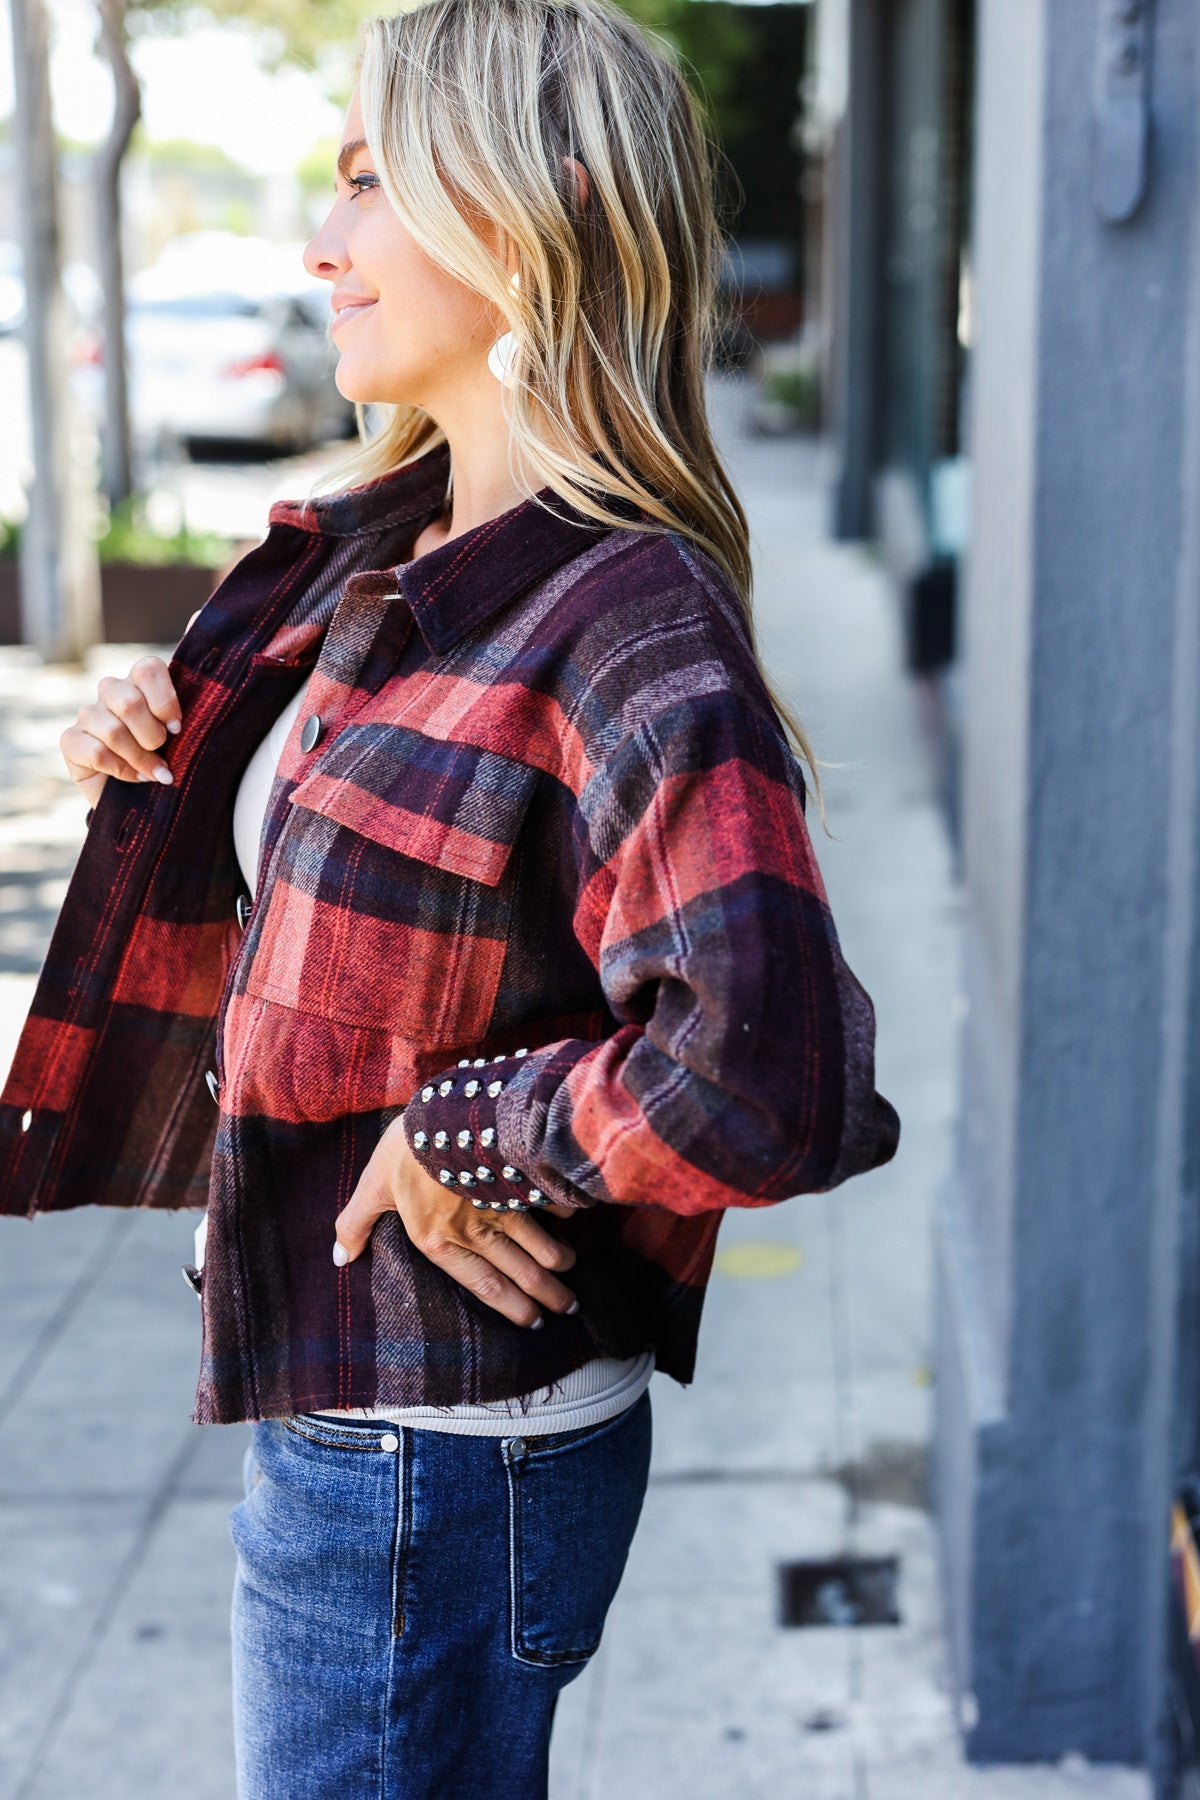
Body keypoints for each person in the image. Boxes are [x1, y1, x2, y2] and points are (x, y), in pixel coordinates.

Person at [0, 2, 900, 1794]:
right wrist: (178, 754)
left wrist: (475, 1132)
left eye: (366, 182)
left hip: (428, 1458)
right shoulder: (386, 555)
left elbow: (773, 1061)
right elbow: (411, 891)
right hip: (372, 1421)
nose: (320, 241)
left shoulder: (626, 619)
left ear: (530, 207)